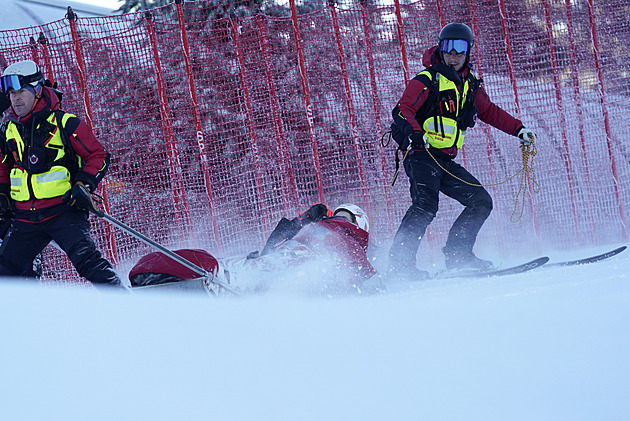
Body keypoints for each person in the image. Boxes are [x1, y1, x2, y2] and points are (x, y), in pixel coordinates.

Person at [388, 23, 537, 279]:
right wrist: (414, 134)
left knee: (480, 202)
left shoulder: (469, 85)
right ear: (440, 48)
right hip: (422, 156)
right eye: (448, 48)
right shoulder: (427, 79)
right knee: (425, 205)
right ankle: (399, 266)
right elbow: (403, 109)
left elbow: (489, 112)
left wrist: (519, 130)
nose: (453, 55)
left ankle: (458, 256)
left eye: (460, 49)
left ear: (468, 51)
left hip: (445, 160)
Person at [0, 60, 123, 288]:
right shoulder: (9, 128)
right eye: (11, 94)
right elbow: (3, 165)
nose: (15, 99)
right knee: (5, 275)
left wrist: (83, 184)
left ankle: (131, 307)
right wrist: (2, 193)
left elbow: (99, 155)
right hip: (25, 218)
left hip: (64, 212)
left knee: (88, 263)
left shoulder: (64, 123)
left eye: (20, 92)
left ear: (37, 90)